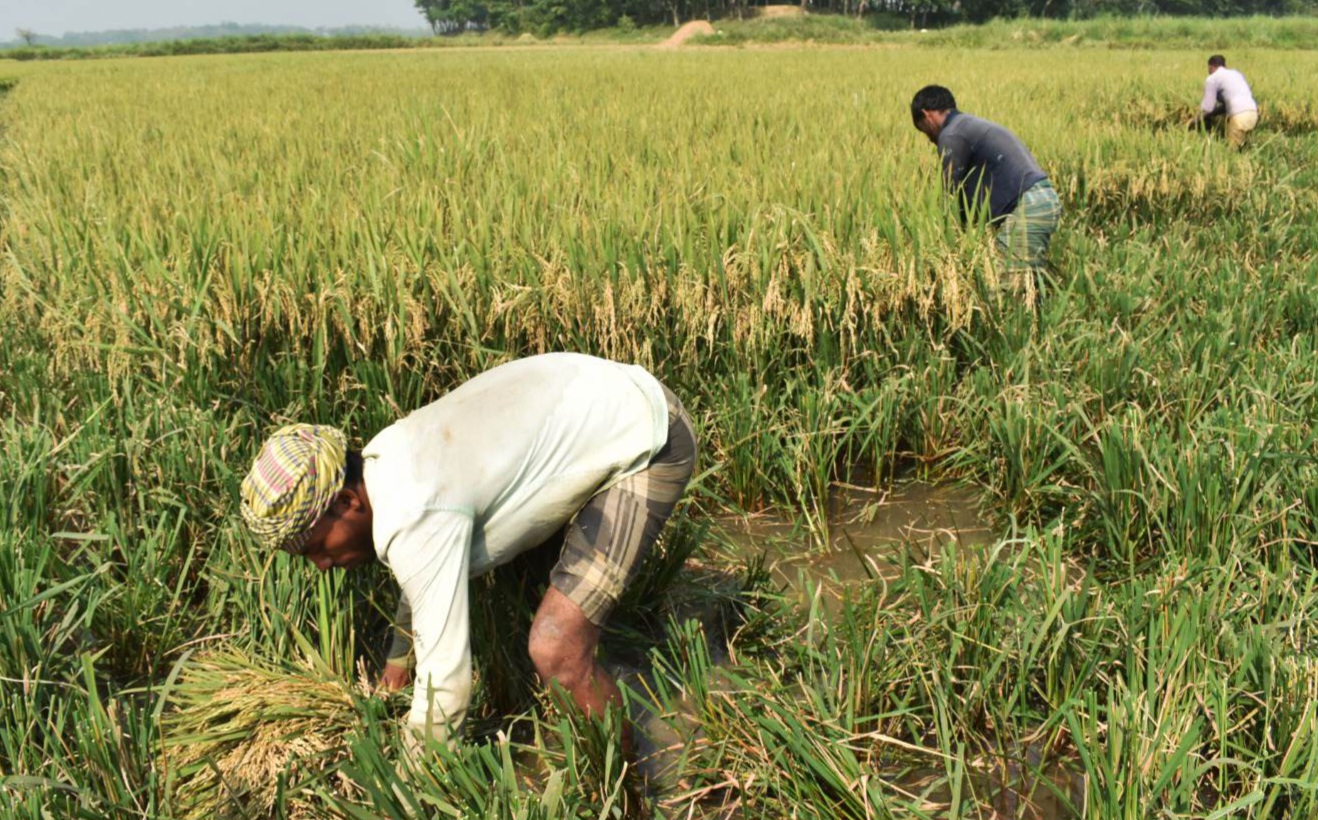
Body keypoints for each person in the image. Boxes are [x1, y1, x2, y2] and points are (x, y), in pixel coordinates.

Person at [239, 352, 697, 749]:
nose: (322, 566)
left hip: (649, 436)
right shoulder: (384, 462)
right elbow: (422, 572)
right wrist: (398, 664)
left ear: (346, 502)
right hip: (594, 401)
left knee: (556, 649)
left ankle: (630, 786)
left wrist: (408, 791)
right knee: (546, 613)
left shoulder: (415, 507)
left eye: (318, 548)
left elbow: (448, 690)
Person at [910, 84, 1062, 286]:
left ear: (926, 115)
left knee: (1007, 287)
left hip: (1028, 207)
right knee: (1028, 282)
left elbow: (949, 195)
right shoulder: (969, 125)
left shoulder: (951, 135)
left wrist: (945, 236)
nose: (929, 139)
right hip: (1043, 199)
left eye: (924, 131)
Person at [1190, 55, 1258, 149]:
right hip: (1253, 114)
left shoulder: (1212, 78)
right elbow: (1227, 105)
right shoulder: (1236, 74)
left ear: (1210, 67)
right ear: (1224, 65)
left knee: (1232, 152)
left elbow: (1208, 107)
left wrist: (1196, 119)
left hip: (1239, 117)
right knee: (1244, 149)